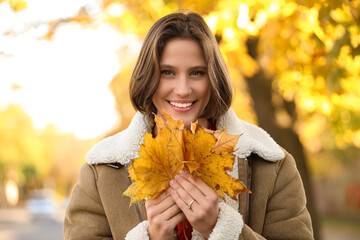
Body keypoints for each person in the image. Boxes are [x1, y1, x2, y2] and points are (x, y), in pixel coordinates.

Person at [63, 11, 314, 240]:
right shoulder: (101, 171)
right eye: (167, 72)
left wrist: (222, 229)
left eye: (197, 73)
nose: (182, 90)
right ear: (148, 76)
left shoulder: (272, 166)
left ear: (213, 77)